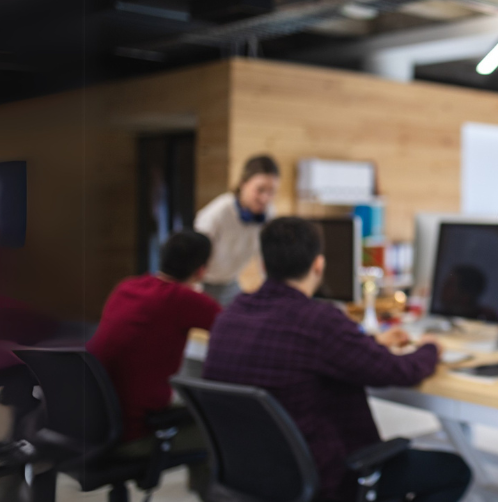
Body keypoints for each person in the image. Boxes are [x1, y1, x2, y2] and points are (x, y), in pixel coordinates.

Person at [203, 217, 471, 502]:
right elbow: (398, 371)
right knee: (455, 471)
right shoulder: (318, 321)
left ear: (261, 264)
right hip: (330, 477)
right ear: (318, 265)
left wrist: (371, 343)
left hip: (252, 475)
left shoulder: (228, 316)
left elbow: (320, 352)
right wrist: (430, 348)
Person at [87, 231, 221, 492]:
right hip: (132, 434)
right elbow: (235, 329)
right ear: (202, 270)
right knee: (219, 429)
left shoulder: (126, 287)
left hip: (93, 424)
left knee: (192, 408)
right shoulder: (184, 299)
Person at [195, 154, 279, 306]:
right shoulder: (217, 214)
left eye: (271, 192)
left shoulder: (269, 214)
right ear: (243, 184)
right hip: (203, 284)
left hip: (231, 283)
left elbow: (266, 258)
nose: (265, 198)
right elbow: (194, 260)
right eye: (260, 190)